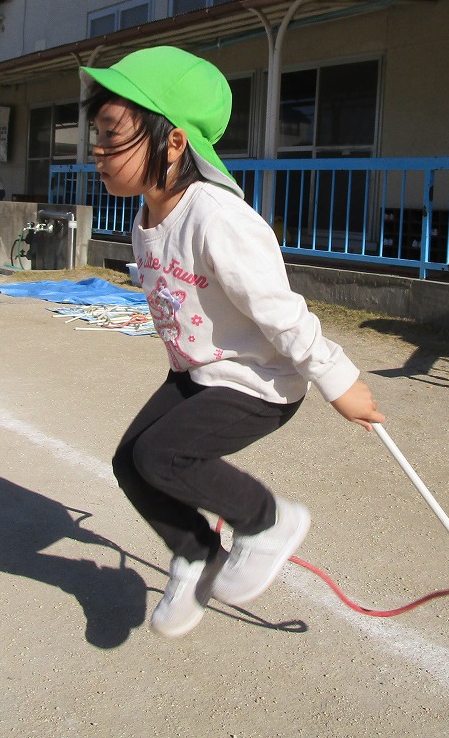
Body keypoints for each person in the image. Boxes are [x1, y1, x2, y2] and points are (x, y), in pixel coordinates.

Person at [81, 45, 385, 639]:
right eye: (97, 134)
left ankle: (267, 522)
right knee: (130, 463)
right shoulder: (145, 220)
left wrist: (337, 378)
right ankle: (196, 553)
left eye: (112, 134)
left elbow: (279, 309)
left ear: (174, 142)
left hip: (256, 381)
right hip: (198, 374)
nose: (98, 150)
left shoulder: (218, 218)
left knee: (161, 456)